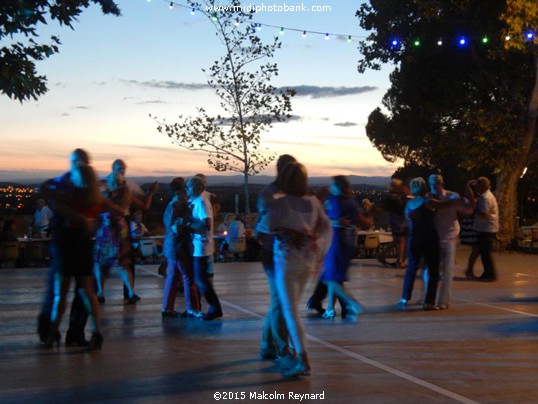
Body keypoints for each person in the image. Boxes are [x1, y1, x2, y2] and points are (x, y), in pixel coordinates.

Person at [268, 162, 332, 377]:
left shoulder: (280, 203)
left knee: (291, 311)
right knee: (293, 310)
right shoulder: (314, 203)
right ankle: (299, 355)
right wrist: (318, 251)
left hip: (286, 263)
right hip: (306, 262)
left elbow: (268, 227)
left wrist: (287, 232)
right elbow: (326, 229)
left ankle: (302, 359)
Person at [43, 163, 105, 351]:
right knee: (87, 291)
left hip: (68, 245)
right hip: (85, 244)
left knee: (60, 294)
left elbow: (46, 190)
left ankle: (52, 333)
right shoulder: (95, 199)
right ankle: (96, 332)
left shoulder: (70, 196)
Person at [37, 149, 92, 347]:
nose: (80, 165)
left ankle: (71, 333)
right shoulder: (64, 183)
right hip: (65, 243)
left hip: (79, 242)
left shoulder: (85, 186)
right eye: (78, 161)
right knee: (61, 291)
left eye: (83, 162)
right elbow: (44, 189)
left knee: (80, 291)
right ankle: (51, 332)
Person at [255, 154, 296, 362]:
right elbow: (262, 230)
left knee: (278, 301)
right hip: (274, 254)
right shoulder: (270, 194)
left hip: (286, 255)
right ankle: (283, 350)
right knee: (282, 301)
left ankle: (267, 345)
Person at [93, 171, 154, 304]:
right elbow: (145, 207)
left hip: (107, 230)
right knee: (122, 264)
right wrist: (151, 193)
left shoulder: (105, 196)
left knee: (101, 264)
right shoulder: (127, 195)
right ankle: (130, 293)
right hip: (121, 231)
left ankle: (100, 292)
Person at [111, 159, 158, 298]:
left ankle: (129, 292)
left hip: (122, 223)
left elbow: (144, 205)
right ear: (113, 169)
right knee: (103, 261)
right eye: (119, 168)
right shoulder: (106, 184)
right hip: (108, 224)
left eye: (123, 168)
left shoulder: (129, 186)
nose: (122, 171)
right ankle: (98, 292)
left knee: (127, 260)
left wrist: (150, 194)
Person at [319, 175, 362, 321]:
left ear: (339, 187)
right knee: (335, 278)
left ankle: (351, 302)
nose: (330, 188)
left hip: (335, 242)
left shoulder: (334, 201)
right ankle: (330, 309)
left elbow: (325, 220)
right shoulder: (352, 202)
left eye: (333, 185)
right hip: (348, 242)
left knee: (328, 278)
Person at [181, 176, 223, 320]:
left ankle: (215, 307)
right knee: (200, 279)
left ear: (198, 188)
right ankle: (207, 306)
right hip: (198, 246)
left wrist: (187, 224)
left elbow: (206, 225)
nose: (186, 189)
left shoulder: (201, 203)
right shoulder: (195, 202)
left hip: (202, 247)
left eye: (189, 186)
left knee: (201, 280)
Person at [161, 178, 201, 318]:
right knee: (188, 277)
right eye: (184, 190)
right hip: (179, 247)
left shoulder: (169, 206)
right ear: (178, 192)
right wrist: (188, 222)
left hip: (170, 247)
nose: (186, 193)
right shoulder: (177, 207)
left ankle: (167, 308)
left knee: (172, 277)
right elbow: (176, 227)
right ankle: (192, 308)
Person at [471, 177, 499, 281]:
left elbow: (484, 214)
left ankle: (490, 274)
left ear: (482, 186)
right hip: (488, 228)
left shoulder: (485, 198)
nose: (476, 188)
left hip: (486, 229)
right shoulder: (487, 196)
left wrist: (474, 209)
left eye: (478, 185)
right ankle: (488, 273)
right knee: (485, 253)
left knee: (485, 253)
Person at [377, 178, 409, 268]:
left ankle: (383, 255)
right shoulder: (395, 197)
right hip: (398, 221)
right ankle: (399, 260)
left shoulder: (393, 196)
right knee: (401, 240)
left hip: (396, 221)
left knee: (397, 240)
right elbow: (400, 208)